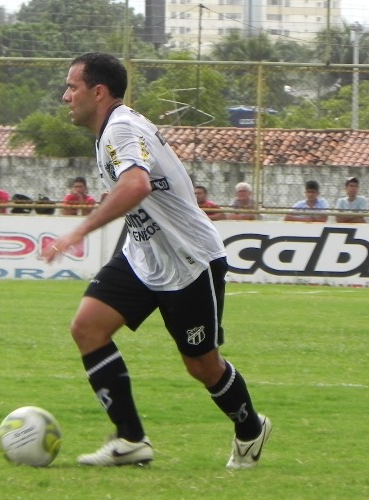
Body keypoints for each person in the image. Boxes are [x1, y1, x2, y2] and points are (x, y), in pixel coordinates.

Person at [42, 52, 271, 469]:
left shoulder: (122, 127)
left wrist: (78, 231)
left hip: (189, 260)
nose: (65, 96)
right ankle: (131, 441)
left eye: (72, 87)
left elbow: (136, 185)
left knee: (202, 366)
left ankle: (250, 427)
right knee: (88, 327)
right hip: (142, 254)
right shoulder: (112, 129)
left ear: (98, 91)